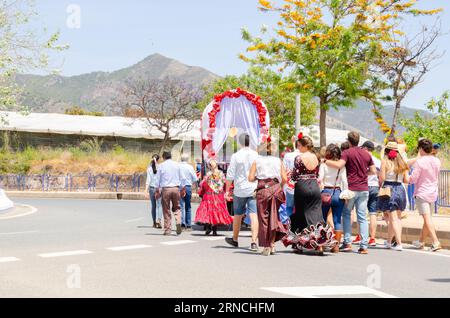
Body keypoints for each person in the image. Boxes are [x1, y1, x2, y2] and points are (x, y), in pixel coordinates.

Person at [324, 131, 377, 255]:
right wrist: (364, 174)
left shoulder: (347, 153)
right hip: (364, 189)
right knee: (362, 217)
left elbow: (339, 165)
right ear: (359, 141)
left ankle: (347, 242)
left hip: (351, 189)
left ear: (348, 141)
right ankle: (364, 245)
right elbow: (373, 171)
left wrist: (324, 161)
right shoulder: (366, 154)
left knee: (347, 214)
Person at [288, 135, 335, 255]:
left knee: (300, 213)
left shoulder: (299, 158)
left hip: (302, 186)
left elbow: (295, 176)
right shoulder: (317, 157)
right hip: (314, 186)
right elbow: (317, 173)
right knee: (316, 215)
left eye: (299, 145)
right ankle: (319, 245)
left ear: (304, 146)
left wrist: (290, 175)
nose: (298, 147)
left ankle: (299, 244)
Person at [248, 142, 288, 256]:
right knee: (274, 216)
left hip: (262, 190)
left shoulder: (257, 160)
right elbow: (284, 178)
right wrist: (279, 186)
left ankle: (266, 246)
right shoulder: (278, 161)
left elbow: (250, 178)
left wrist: (258, 177)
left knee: (263, 218)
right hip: (275, 188)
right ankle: (272, 244)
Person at [225, 133, 259, 251]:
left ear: (239, 143)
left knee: (238, 215)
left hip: (239, 189)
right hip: (253, 188)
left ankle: (235, 239)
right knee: (254, 214)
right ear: (249, 142)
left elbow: (230, 175)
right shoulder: (256, 154)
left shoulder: (236, 156)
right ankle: (254, 241)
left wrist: (227, 190)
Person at [410, 139, 442, 252]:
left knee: (427, 219)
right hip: (433, 192)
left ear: (421, 149)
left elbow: (413, 179)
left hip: (422, 193)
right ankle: (421, 242)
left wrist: (406, 177)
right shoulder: (437, 161)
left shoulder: (420, 162)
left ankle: (435, 241)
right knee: (427, 218)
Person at [377, 142, 409, 251]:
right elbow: (406, 180)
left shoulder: (385, 162)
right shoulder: (402, 162)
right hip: (400, 189)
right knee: (396, 218)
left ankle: (399, 243)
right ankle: (389, 241)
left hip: (389, 190)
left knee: (394, 218)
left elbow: (382, 178)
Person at [318, 144, 348, 253]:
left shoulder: (324, 165)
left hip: (326, 192)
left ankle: (320, 245)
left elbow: (320, 179)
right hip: (338, 193)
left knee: (322, 219)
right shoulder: (341, 167)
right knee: (337, 220)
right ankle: (336, 246)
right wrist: (345, 194)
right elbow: (344, 181)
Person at [195, 159, 233, 236]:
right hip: (218, 195)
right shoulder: (221, 174)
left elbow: (203, 184)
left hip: (209, 195)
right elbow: (225, 184)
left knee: (209, 211)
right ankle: (214, 230)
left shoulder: (208, 175)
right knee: (216, 211)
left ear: (209, 166)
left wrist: (202, 191)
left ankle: (208, 227)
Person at [155, 151, 183, 236]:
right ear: (171, 157)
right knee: (177, 207)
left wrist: (157, 190)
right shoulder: (177, 165)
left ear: (163, 157)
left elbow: (158, 179)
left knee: (166, 209)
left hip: (166, 189)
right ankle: (178, 222)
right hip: (175, 188)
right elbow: (182, 177)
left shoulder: (161, 166)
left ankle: (168, 229)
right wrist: (183, 188)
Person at [362, 141, 381, 247]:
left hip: (364, 186)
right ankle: (372, 238)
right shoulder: (378, 161)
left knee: (362, 212)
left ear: (365, 148)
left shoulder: (363, 159)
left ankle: (362, 236)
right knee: (373, 213)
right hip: (375, 186)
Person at [283, 137, 302, 217]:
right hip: (302, 184)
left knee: (289, 207)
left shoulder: (288, 155)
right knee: (300, 208)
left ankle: (289, 226)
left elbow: (284, 169)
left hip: (290, 185)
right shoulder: (304, 155)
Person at [179, 154, 198, 232]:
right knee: (188, 206)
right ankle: (189, 225)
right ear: (187, 159)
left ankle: (182, 224)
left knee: (181, 206)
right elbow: (195, 178)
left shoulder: (178, 166)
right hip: (187, 187)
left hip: (179, 187)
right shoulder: (190, 167)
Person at [145, 154, 162, 229]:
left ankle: (154, 222)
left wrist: (145, 190)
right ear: (158, 160)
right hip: (159, 188)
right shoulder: (161, 167)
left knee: (153, 206)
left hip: (151, 188)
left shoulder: (149, 169)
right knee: (159, 205)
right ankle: (159, 220)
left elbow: (148, 180)